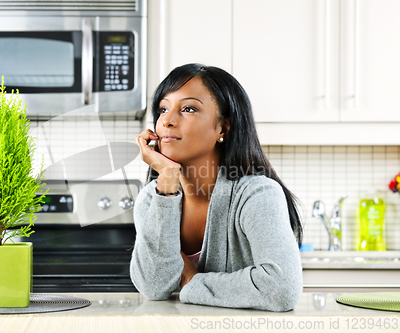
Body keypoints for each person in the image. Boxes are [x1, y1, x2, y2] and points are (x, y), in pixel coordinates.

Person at [130, 64, 303, 312]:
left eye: (188, 108)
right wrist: (166, 178)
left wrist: (191, 280)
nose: (167, 121)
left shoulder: (257, 194)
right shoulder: (152, 198)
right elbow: (154, 287)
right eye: (163, 109)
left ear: (223, 127)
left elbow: (281, 290)